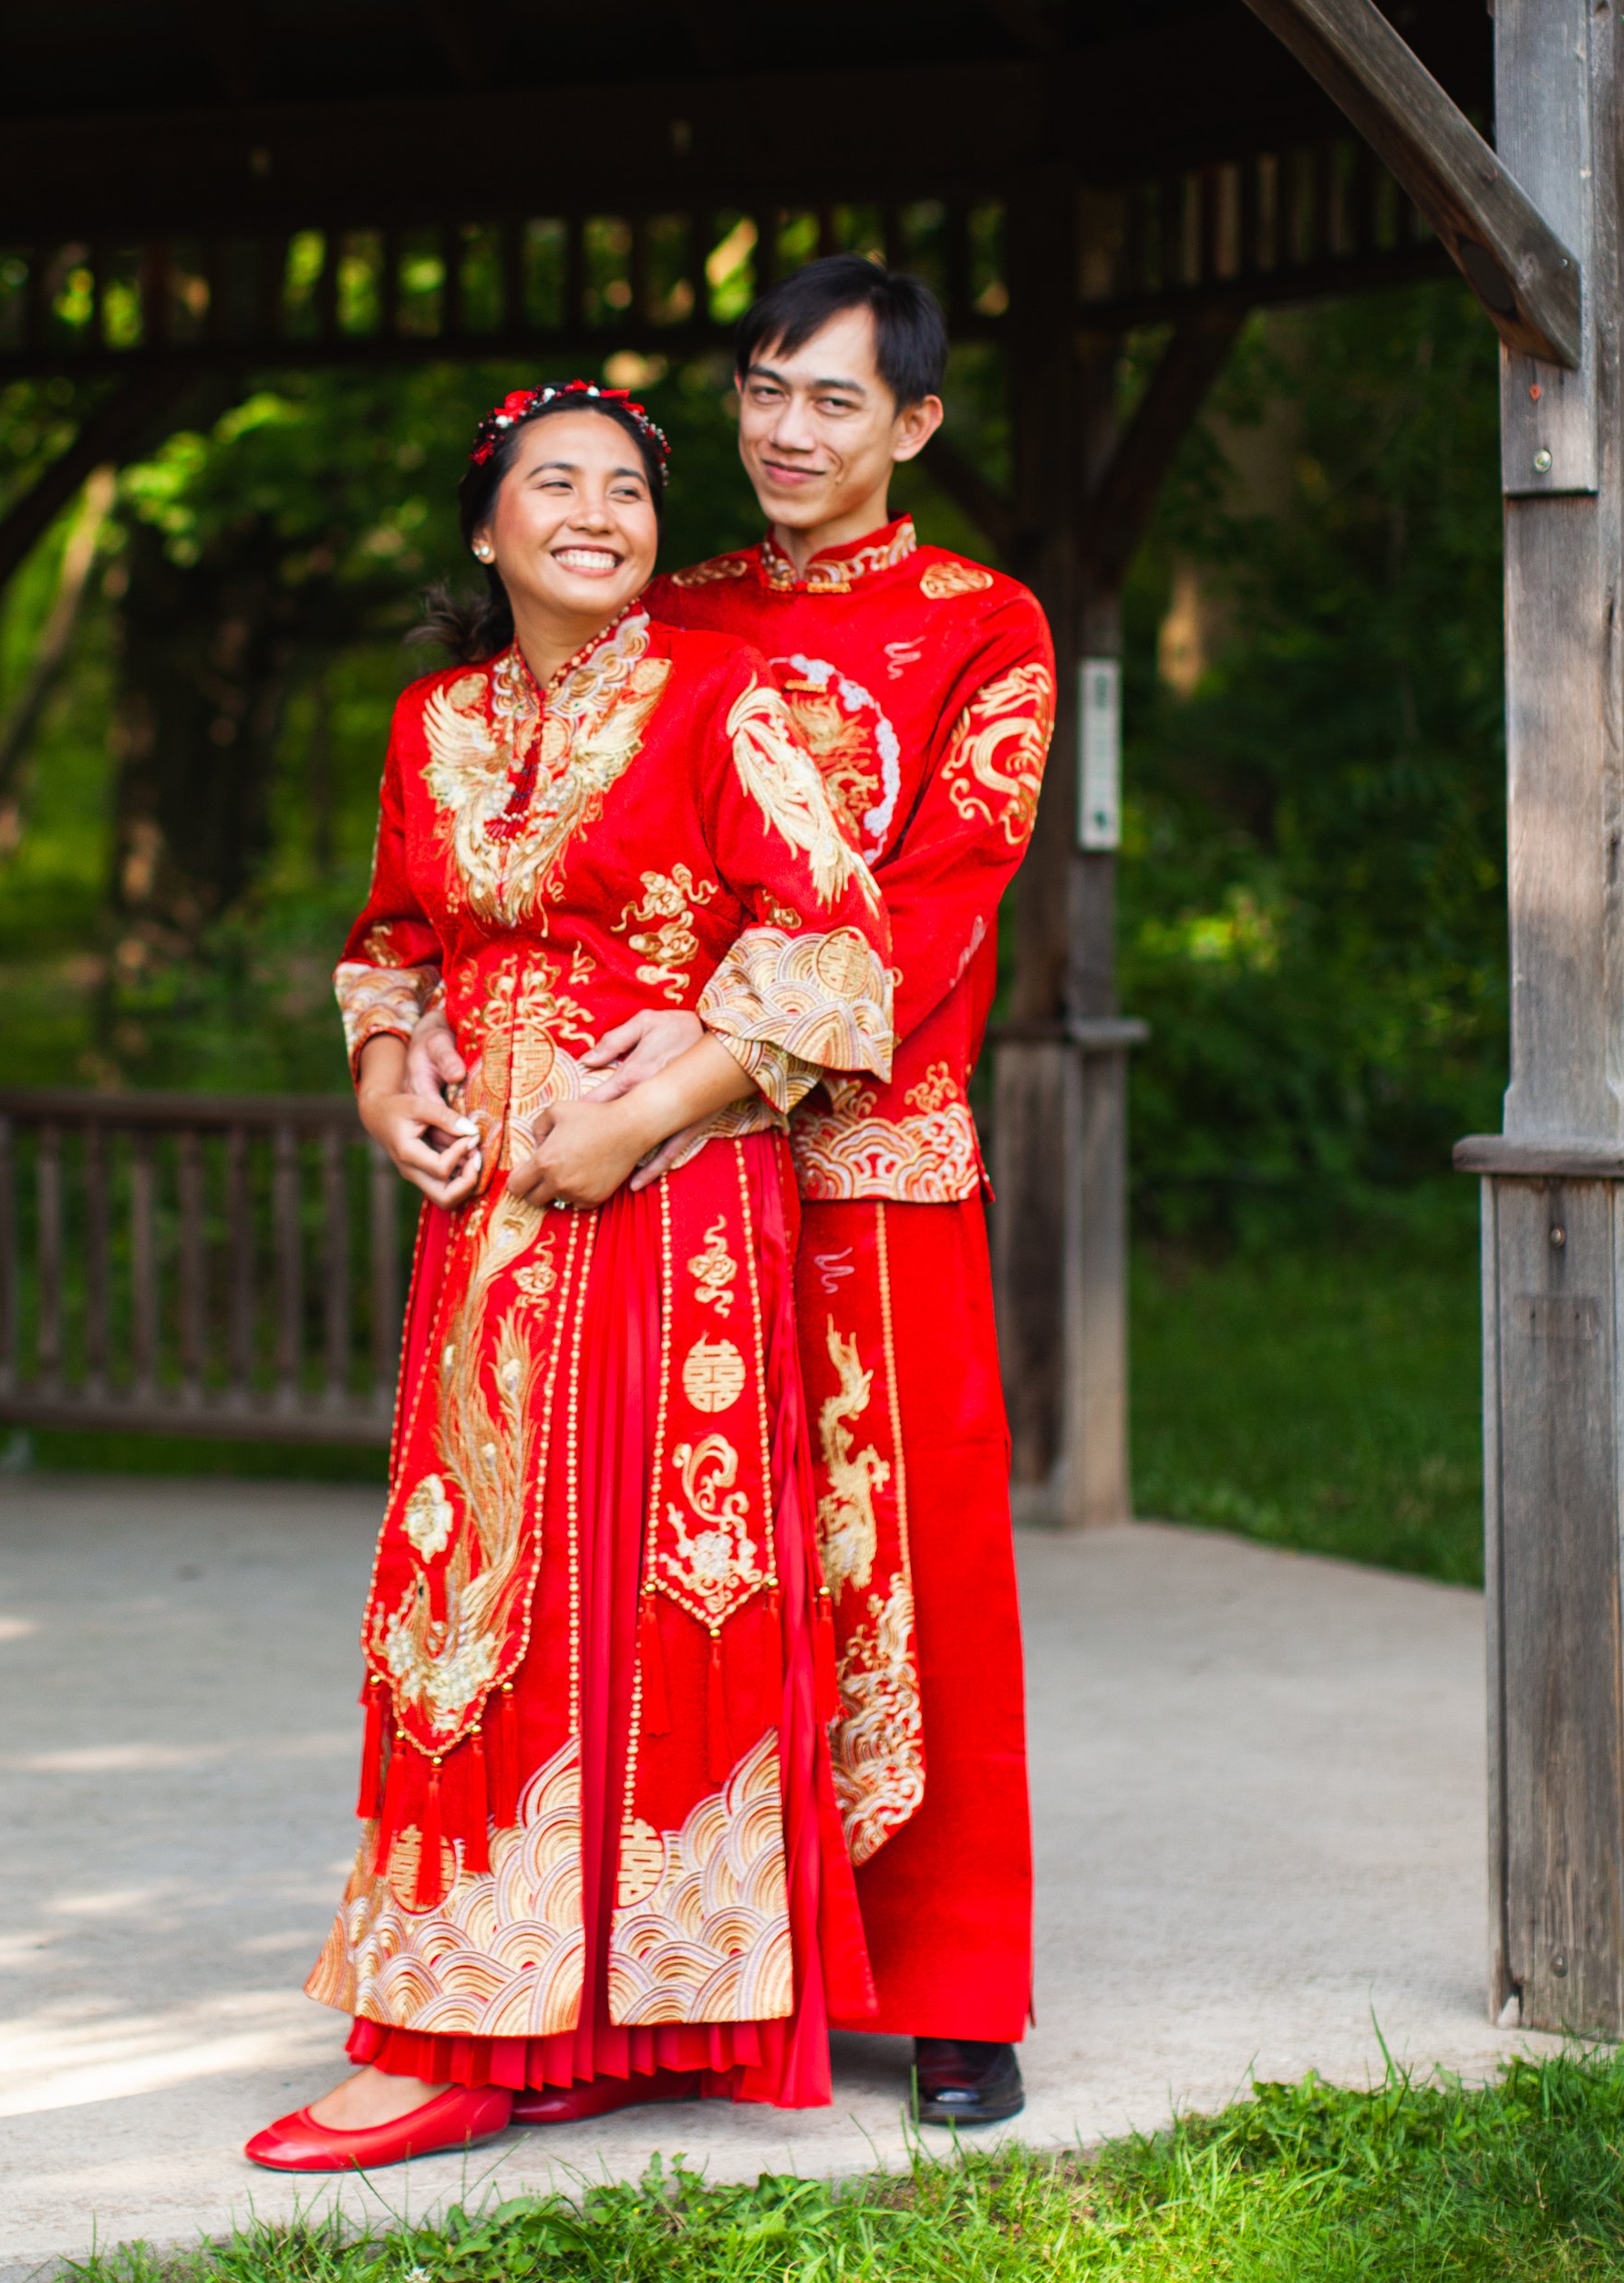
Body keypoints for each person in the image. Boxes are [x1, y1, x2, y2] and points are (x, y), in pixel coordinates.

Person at [411, 259, 1054, 2129]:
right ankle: (685, 1980)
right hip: (653, 1202)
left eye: (832, 402)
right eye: (764, 391)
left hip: (863, 1154)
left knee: (901, 1571)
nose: (785, 431)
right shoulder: (658, 606)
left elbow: (932, 910)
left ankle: (950, 1995)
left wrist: (714, 1071)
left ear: (912, 426)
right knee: (680, 1583)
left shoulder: (975, 627)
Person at [245, 380, 895, 2174]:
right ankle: (481, 2007)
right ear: (487, 528)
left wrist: (657, 1109)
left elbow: (836, 951)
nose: (596, 511)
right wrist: (388, 1079)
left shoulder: (720, 697)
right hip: (485, 1224)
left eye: (625, 486)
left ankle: (573, 2023)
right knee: (473, 1592)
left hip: (673, 1211)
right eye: (555, 485)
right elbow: (389, 948)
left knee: (646, 1596)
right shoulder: (427, 723)